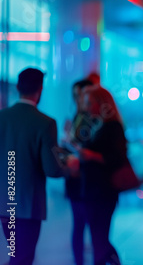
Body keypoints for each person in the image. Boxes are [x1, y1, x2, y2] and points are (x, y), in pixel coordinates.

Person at [0, 67, 79, 265]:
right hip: (27, 206)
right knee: (22, 258)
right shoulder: (45, 123)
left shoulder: (2, 118)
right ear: (40, 89)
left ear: (18, 87)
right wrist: (70, 167)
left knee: (16, 253)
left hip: (4, 204)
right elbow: (52, 169)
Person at [79, 86, 126, 265]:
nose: (87, 107)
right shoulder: (95, 125)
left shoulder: (112, 126)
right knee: (98, 238)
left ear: (101, 103)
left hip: (104, 190)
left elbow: (118, 157)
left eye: (90, 103)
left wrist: (92, 156)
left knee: (100, 238)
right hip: (91, 189)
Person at [64, 79, 94, 265]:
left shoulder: (94, 119)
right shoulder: (77, 117)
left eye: (80, 95)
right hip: (76, 181)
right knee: (79, 226)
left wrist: (69, 142)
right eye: (75, 95)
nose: (77, 99)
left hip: (90, 181)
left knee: (95, 230)